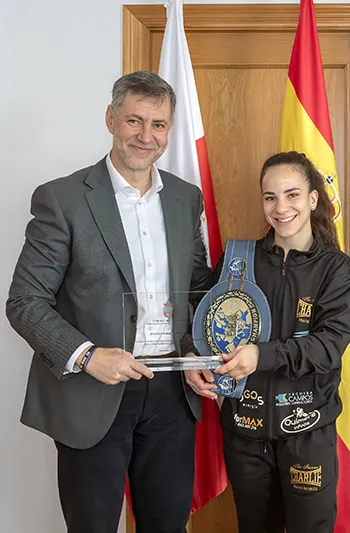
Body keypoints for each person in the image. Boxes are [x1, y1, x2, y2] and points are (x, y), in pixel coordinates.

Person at [6, 71, 210, 532]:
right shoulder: (61, 199)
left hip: (172, 393)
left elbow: (196, 288)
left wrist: (198, 349)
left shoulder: (185, 198)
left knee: (167, 524)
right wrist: (88, 356)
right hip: (92, 393)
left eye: (158, 125)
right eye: (134, 121)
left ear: (169, 129)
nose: (145, 136)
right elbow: (25, 301)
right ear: (110, 119)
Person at [184, 151, 350, 533]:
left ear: (313, 199)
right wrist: (192, 356)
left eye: (292, 195)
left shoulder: (338, 269)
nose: (281, 208)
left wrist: (260, 356)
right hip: (244, 430)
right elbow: (199, 319)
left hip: (306, 430)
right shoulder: (237, 260)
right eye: (270, 197)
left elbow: (327, 348)